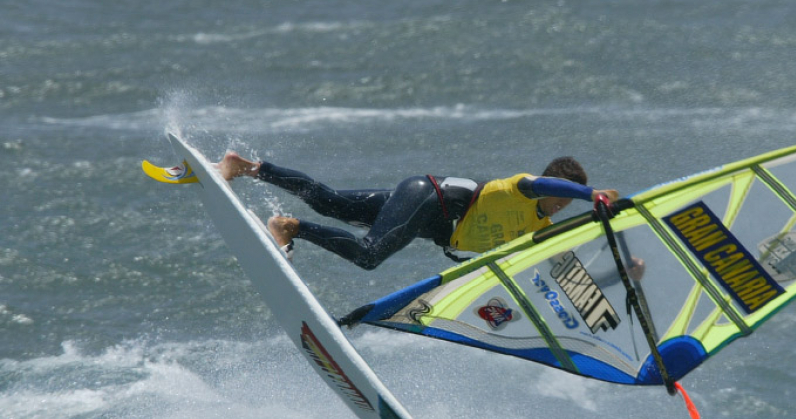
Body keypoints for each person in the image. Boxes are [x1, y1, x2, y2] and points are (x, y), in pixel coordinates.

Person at [217, 151, 620, 270]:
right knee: (369, 254)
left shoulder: (538, 229)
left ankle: (247, 168)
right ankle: (290, 227)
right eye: (561, 202)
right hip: (430, 197)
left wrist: (623, 268)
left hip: (423, 211)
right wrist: (591, 195)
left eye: (564, 206)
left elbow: (565, 257)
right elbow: (544, 185)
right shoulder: (522, 189)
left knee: (331, 202)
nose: (558, 208)